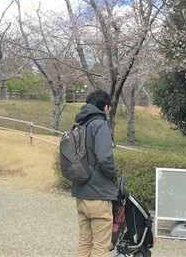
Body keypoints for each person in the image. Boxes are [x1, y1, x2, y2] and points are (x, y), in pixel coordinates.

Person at [72, 90, 118, 257]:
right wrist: (114, 175)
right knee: (101, 246)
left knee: (85, 243)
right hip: (99, 193)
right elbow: (106, 158)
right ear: (106, 107)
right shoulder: (100, 124)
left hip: (81, 192)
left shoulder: (81, 124)